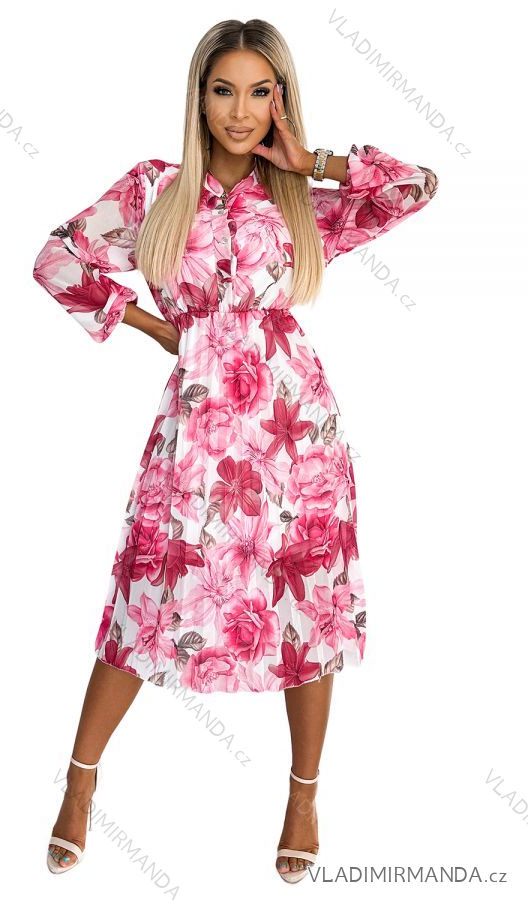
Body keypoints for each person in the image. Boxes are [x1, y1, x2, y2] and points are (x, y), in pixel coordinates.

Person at [32, 17, 438, 883]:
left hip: (296, 430)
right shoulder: (155, 189)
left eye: (260, 92)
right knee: (146, 594)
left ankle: (303, 797)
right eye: (224, 90)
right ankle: (79, 780)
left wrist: (312, 160)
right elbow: (58, 259)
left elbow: (417, 187)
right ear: (199, 96)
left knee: (306, 607)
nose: (241, 111)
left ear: (280, 101)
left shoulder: (299, 201)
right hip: (195, 426)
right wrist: (157, 329)